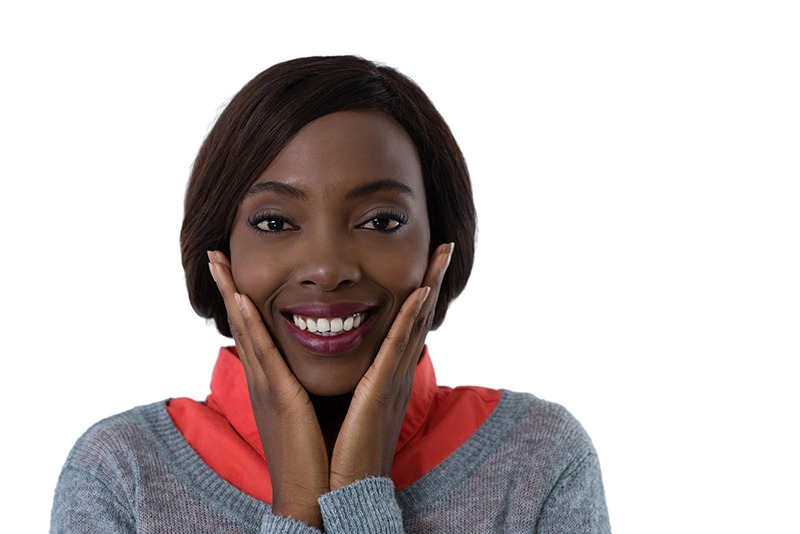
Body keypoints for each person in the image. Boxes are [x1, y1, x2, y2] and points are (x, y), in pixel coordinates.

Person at [51, 55, 611, 533]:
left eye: (381, 221)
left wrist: (358, 495)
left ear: (440, 247)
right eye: (274, 223)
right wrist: (298, 501)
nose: (326, 268)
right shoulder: (120, 473)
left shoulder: (537, 457)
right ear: (218, 252)